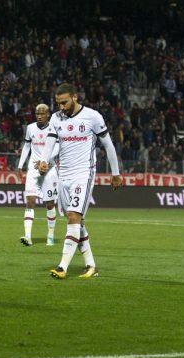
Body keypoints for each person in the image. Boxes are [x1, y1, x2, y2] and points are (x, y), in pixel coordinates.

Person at [38, 83, 123, 280]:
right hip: (63, 175)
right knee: (77, 222)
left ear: (75, 97)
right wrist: (43, 161)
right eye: (58, 103)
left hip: (83, 174)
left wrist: (116, 173)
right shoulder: (56, 118)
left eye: (64, 102)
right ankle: (91, 265)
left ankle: (62, 267)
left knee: (73, 217)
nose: (61, 107)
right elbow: (50, 142)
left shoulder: (93, 117)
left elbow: (108, 145)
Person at [16, 103, 60, 247]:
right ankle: (28, 236)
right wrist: (20, 165)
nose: (39, 116)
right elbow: (27, 146)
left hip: (49, 169)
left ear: (48, 115)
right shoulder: (30, 128)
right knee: (30, 201)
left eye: (42, 114)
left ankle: (50, 236)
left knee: (50, 204)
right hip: (33, 169)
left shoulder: (54, 128)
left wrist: (44, 161)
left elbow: (57, 147)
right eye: (37, 114)